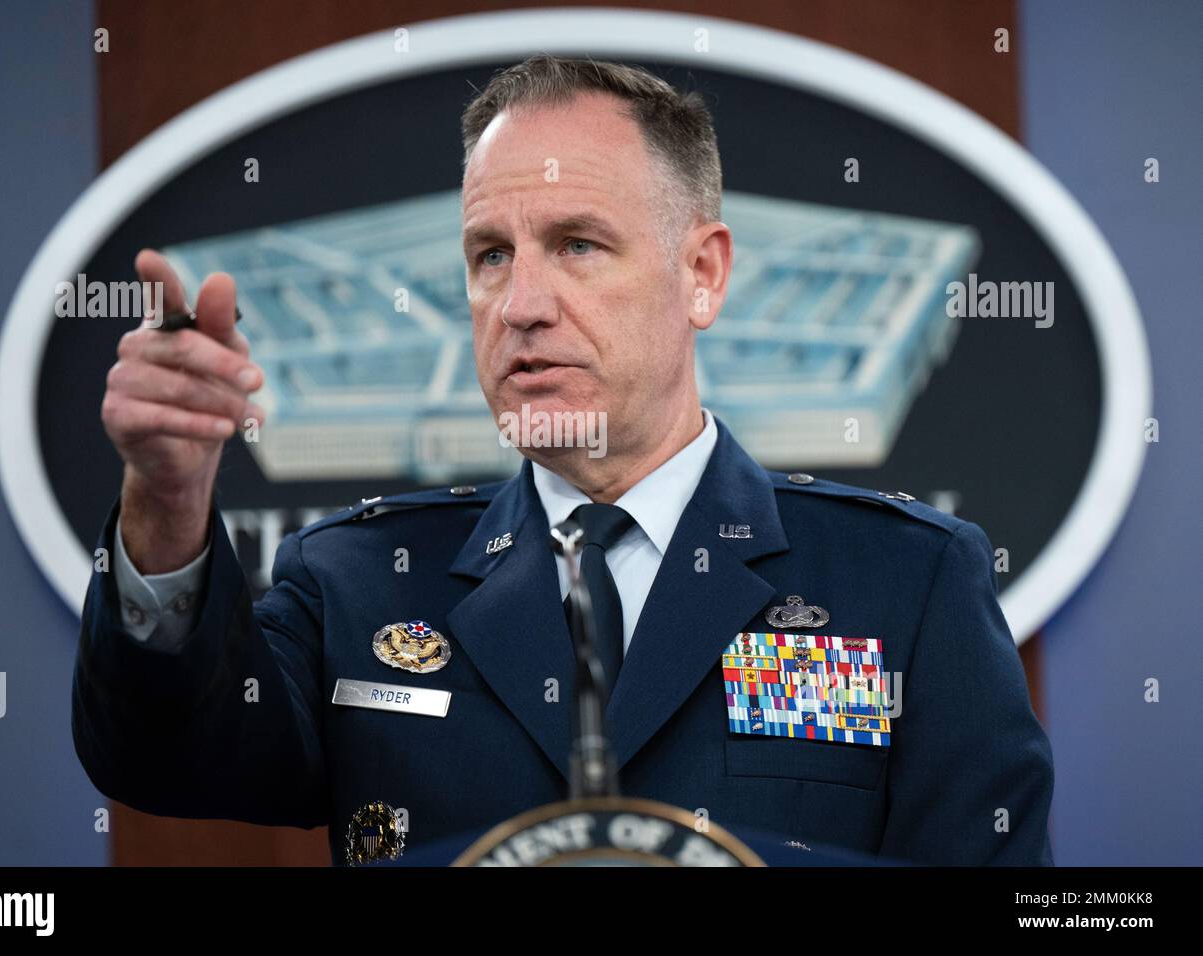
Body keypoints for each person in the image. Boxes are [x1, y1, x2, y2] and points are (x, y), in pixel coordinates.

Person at [73, 54, 1055, 865]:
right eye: (490, 254)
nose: (521, 304)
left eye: (578, 244)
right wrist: (165, 502)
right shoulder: (358, 581)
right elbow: (166, 760)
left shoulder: (905, 582)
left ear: (701, 273)